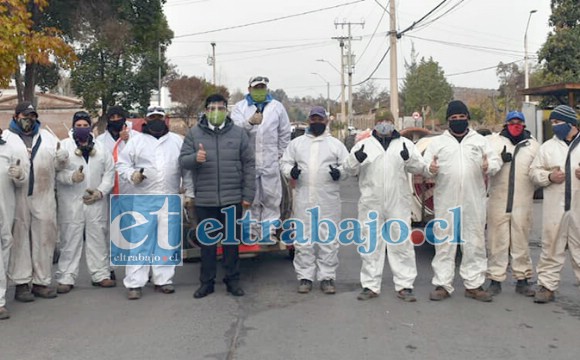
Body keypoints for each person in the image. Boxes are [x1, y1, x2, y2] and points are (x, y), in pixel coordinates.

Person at [343, 108, 429, 302]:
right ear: (375, 123)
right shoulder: (364, 146)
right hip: (371, 203)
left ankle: (405, 285)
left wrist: (409, 158)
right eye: (380, 121)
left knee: (401, 243)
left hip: (398, 202)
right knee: (371, 244)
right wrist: (356, 159)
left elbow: (421, 168)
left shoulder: (405, 145)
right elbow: (348, 169)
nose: (384, 124)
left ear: (393, 123)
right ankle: (370, 285)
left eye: (387, 121)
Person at [423, 100, 501, 302]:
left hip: (473, 199)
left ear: (468, 118)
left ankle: (474, 285)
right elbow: (425, 165)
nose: (458, 121)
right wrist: (429, 169)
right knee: (444, 241)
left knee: (474, 241)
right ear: (448, 120)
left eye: (461, 117)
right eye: (454, 118)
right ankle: (443, 284)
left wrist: (488, 166)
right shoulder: (438, 143)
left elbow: (495, 161)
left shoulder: (480, 141)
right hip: (446, 200)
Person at [180, 94, 255, 299]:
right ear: (205, 111)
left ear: (226, 111)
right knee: (208, 245)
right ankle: (207, 283)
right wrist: (195, 158)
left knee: (231, 243)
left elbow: (249, 165)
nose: (216, 112)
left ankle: (232, 281)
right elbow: (183, 161)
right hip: (205, 199)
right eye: (212, 108)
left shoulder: (239, 134)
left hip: (232, 198)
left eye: (220, 108)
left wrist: (248, 195)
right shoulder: (194, 134)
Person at [117, 106, 193, 300]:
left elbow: (186, 169)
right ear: (146, 120)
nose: (156, 120)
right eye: (152, 118)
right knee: (140, 241)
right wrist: (131, 175)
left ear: (166, 119)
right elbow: (122, 164)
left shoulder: (177, 141)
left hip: (170, 197)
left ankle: (163, 279)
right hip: (144, 198)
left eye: (160, 117)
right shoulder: (136, 141)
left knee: (167, 241)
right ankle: (135, 283)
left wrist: (189, 192)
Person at [280, 106, 348, 294]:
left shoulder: (335, 145)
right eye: (313, 119)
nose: (316, 122)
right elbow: (285, 162)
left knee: (329, 239)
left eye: (320, 119)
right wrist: (290, 171)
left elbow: (348, 166)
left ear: (326, 121)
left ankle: (327, 277)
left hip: (328, 199)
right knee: (303, 239)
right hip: (303, 197)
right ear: (309, 121)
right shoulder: (297, 144)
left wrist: (339, 173)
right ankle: (305, 277)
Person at [8, 101, 69, 301]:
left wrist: (61, 159)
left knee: (45, 238)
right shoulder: (7, 139)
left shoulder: (47, 137)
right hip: (17, 195)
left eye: (33, 115)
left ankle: (41, 282)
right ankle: (22, 283)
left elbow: (59, 168)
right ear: (16, 116)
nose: (29, 119)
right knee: (20, 238)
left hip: (44, 195)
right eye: (25, 115)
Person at [54, 111, 116, 294]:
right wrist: (71, 177)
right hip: (71, 203)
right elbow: (56, 172)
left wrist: (100, 192)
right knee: (70, 239)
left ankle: (101, 274)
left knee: (98, 238)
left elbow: (109, 173)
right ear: (73, 126)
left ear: (91, 127)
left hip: (95, 202)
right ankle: (66, 277)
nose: (82, 129)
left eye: (85, 125)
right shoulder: (64, 147)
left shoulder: (102, 149)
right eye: (78, 125)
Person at [530, 105, 580, 304]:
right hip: (555, 207)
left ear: (572, 123)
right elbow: (533, 173)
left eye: (558, 122)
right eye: (553, 123)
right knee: (551, 246)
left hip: (578, 207)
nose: (555, 126)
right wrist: (549, 176)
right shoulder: (547, 147)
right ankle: (547, 286)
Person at [230, 76, 291, 241]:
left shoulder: (277, 107)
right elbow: (234, 131)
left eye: (262, 87)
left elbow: (284, 133)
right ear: (249, 89)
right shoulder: (240, 108)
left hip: (270, 161)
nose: (259, 91)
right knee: (251, 198)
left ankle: (268, 231)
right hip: (248, 161)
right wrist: (249, 123)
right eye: (256, 88)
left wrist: (279, 154)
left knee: (271, 197)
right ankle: (252, 231)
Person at [486, 111, 539, 297]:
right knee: (496, 241)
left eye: (519, 122)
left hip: (522, 201)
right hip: (498, 200)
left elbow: (538, 171)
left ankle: (522, 279)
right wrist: (500, 160)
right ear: (505, 123)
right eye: (512, 122)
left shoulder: (533, 145)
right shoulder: (495, 143)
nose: (515, 125)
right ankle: (495, 279)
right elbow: (486, 167)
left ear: (524, 124)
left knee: (521, 241)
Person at [0, 128, 28, 319]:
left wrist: (19, 175)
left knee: (5, 244)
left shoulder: (7, 148)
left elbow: (21, 181)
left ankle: (0, 298)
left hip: (5, 205)